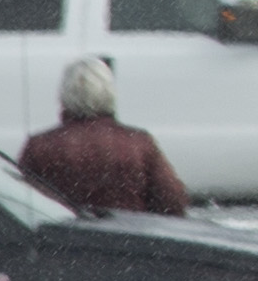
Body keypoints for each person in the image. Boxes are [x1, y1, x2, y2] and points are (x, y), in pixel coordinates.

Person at [19, 54, 185, 216]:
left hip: (64, 238)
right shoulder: (138, 143)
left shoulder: (40, 146)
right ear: (110, 92)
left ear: (63, 95)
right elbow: (172, 201)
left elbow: (21, 203)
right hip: (127, 237)